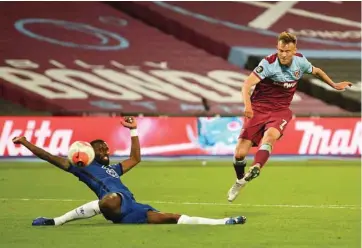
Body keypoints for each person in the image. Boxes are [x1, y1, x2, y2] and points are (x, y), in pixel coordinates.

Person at [12, 117, 246, 225]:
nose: (106, 148)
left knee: (170, 217)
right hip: (113, 203)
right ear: (90, 153)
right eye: (100, 147)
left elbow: (136, 158)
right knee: (110, 200)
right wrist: (26, 143)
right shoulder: (81, 168)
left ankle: (223, 222)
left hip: (132, 207)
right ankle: (55, 222)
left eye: (105, 146)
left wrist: (134, 131)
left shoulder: (114, 169)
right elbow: (51, 158)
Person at [227, 31, 352, 202]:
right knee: (240, 154)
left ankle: (256, 167)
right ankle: (240, 180)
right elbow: (247, 85)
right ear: (277, 49)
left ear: (294, 51)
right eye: (281, 51)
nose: (283, 55)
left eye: (287, 51)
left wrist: (334, 85)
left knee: (270, 137)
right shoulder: (268, 63)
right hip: (258, 109)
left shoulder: (300, 62)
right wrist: (247, 106)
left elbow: (317, 71)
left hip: (280, 111)